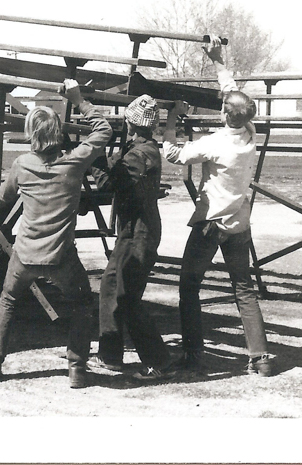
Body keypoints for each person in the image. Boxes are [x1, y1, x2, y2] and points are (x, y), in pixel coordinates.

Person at [0, 79, 113, 389]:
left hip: (25, 254)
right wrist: (78, 99)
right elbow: (104, 129)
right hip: (61, 256)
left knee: (8, 301)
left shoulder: (22, 165)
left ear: (31, 134)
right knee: (81, 304)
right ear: (58, 132)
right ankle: (77, 368)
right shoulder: (74, 162)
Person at [162, 36, 274, 377]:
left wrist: (171, 119)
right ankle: (261, 357)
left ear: (225, 114)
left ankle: (193, 354)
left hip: (210, 224)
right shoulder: (250, 133)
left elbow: (173, 154)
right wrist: (217, 60)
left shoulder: (214, 143)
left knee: (189, 287)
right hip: (239, 222)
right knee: (244, 290)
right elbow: (232, 93)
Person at [89, 93, 175, 381]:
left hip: (139, 232)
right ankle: (110, 356)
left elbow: (108, 183)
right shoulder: (140, 148)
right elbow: (118, 167)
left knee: (127, 297)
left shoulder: (140, 154)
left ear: (132, 124)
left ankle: (159, 361)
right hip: (133, 230)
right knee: (110, 287)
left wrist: (94, 155)